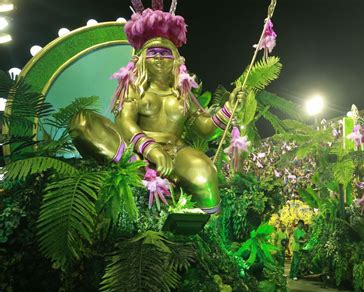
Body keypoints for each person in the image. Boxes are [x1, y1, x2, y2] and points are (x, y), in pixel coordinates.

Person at [68, 2, 243, 214]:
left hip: (176, 151)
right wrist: (152, 150)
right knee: (83, 122)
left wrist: (228, 109)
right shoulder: (134, 87)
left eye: (165, 52)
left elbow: (205, 129)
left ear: (176, 61)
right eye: (153, 52)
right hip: (136, 150)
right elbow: (124, 122)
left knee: (205, 174)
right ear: (141, 59)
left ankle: (210, 228)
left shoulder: (183, 92)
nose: (159, 57)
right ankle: (135, 168)